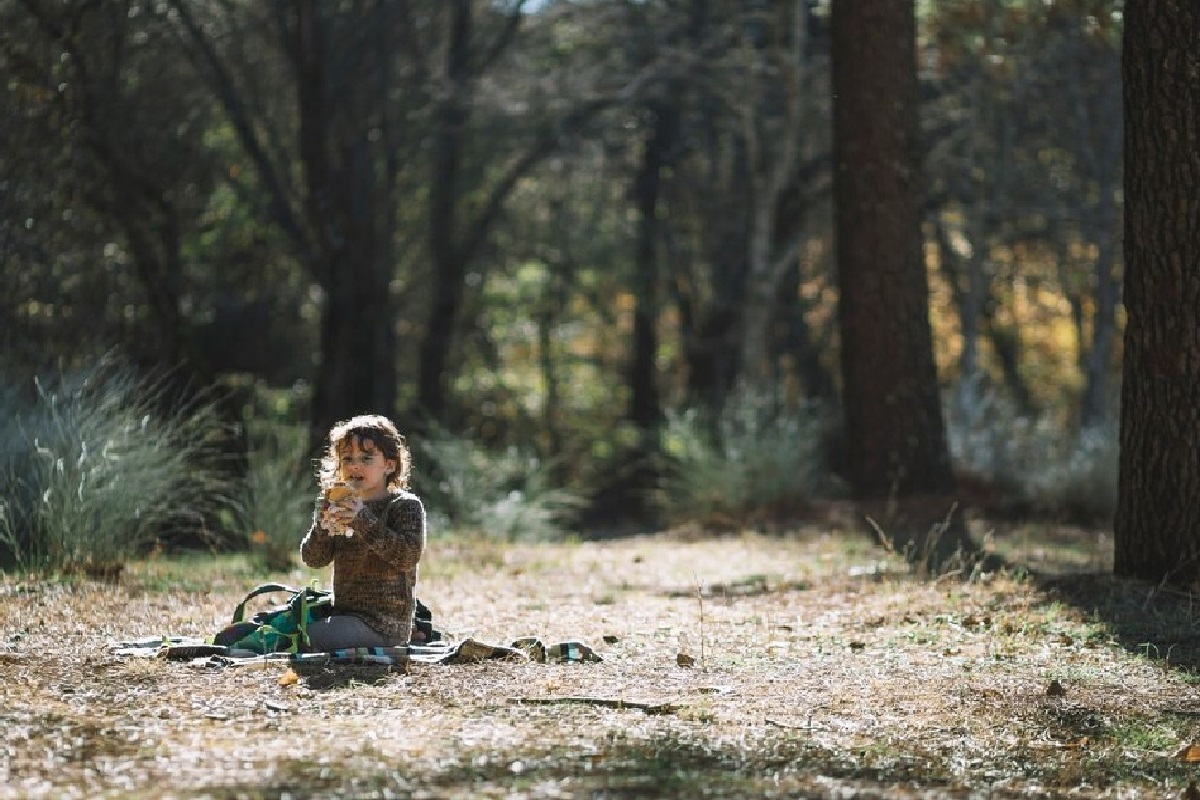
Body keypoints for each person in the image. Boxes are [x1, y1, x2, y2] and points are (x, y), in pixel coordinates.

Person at [300, 414, 426, 652]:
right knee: (293, 623)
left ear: (389, 465)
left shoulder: (404, 506)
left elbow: (406, 556)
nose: (355, 465)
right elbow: (314, 559)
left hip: (384, 625)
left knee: (305, 636)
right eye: (347, 458)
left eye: (366, 458)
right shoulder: (338, 503)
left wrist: (361, 520)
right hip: (345, 615)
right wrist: (323, 527)